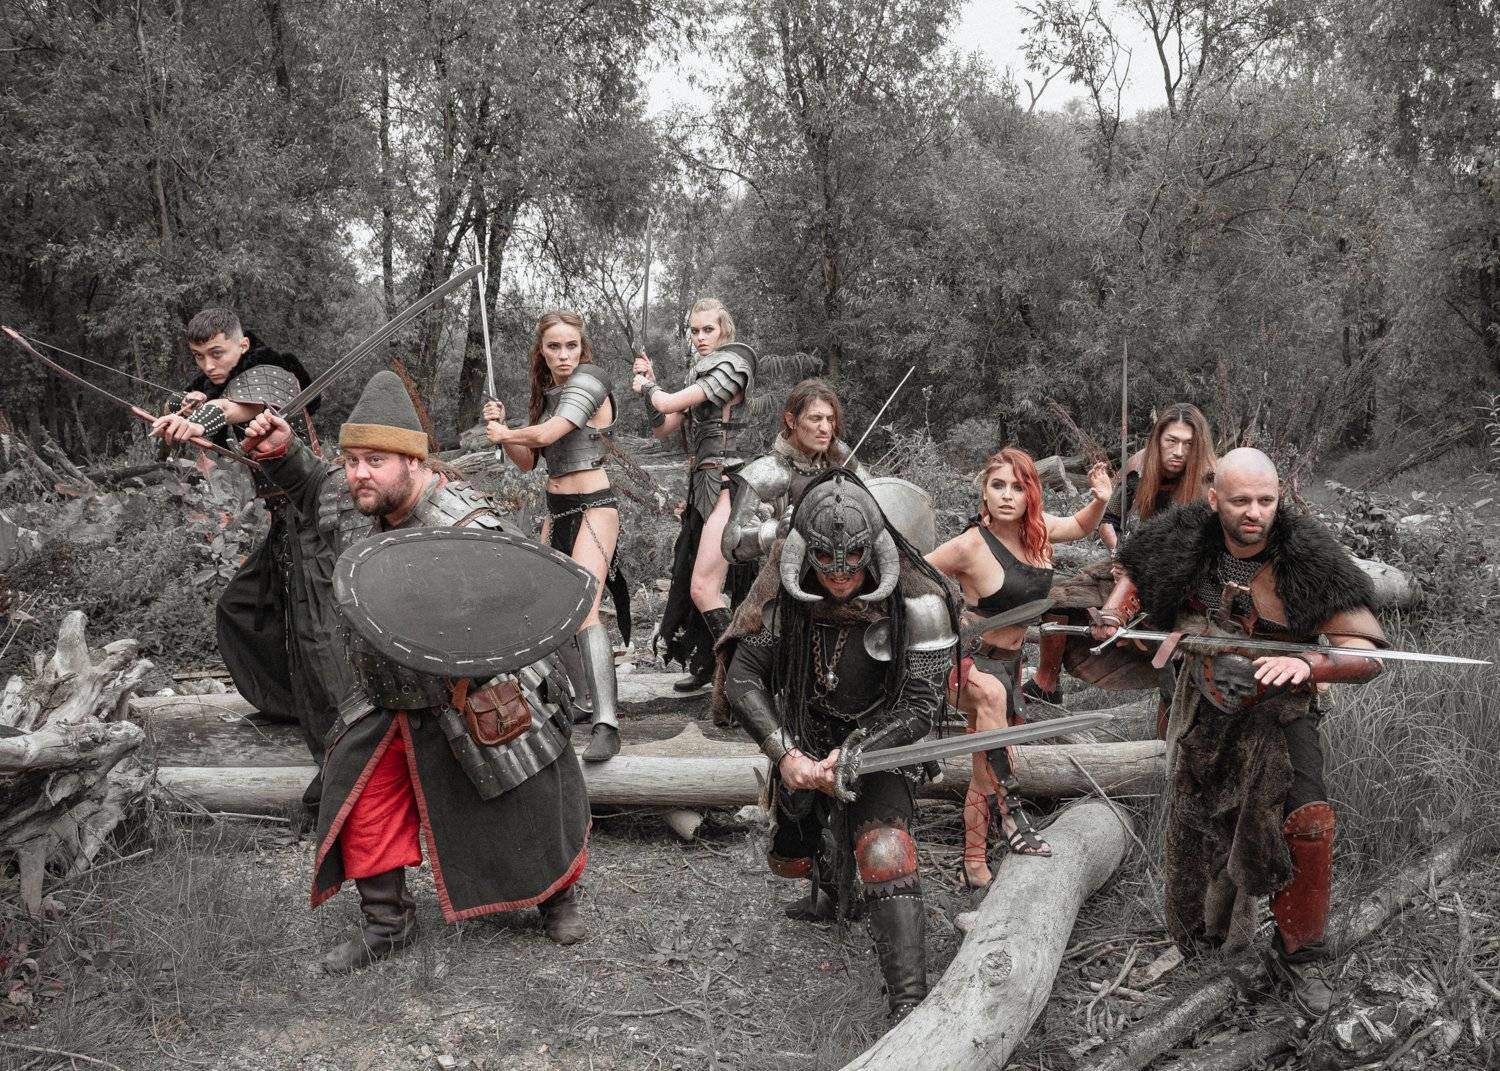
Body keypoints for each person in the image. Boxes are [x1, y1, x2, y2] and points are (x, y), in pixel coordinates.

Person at [240, 370, 592, 972]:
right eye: (352, 460)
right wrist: (283, 449)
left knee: (525, 791)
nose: (359, 473)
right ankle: (387, 924)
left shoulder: (466, 526)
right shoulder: (360, 496)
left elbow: (519, 606)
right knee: (361, 793)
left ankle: (555, 897)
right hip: (387, 687)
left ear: (413, 460)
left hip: (473, 688)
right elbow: (314, 483)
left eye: (374, 460)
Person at [1092, 448, 1387, 1014]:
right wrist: (1116, 615)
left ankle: (1300, 956)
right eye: (1241, 501)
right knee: (1199, 821)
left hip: (1281, 711)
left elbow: (1367, 654)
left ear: (1280, 500)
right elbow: (1131, 579)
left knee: (1307, 819)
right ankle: (1202, 937)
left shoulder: (1308, 559)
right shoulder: (1180, 541)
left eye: (1265, 500)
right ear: (1213, 500)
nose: (1254, 512)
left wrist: (1311, 664)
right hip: (1203, 704)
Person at [716, 469, 957, 1021]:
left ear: (876, 550)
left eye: (853, 559)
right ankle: (830, 894)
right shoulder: (780, 601)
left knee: (885, 850)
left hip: (881, 741)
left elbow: (922, 705)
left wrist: (858, 754)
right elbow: (744, 678)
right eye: (825, 559)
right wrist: (787, 755)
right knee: (796, 843)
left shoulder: (920, 604)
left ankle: (908, 1003)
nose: (841, 573)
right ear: (806, 554)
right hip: (804, 733)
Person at [149, 308, 348, 810]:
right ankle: (295, 708)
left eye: (217, 353)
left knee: (318, 639)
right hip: (283, 519)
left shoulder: (273, 371)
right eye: (199, 357)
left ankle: (342, 766)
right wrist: (182, 410)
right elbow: (201, 421)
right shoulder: (215, 388)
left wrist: (203, 412)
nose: (209, 365)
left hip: (315, 514)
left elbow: (243, 407)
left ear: (242, 343)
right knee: (240, 609)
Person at [926, 447, 1112, 891]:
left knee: (985, 767)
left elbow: (1081, 525)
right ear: (984, 493)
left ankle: (974, 862)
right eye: (998, 486)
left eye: (1017, 487)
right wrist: (938, 622)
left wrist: (1102, 499)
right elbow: (913, 578)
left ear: (1031, 494)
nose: (1007, 495)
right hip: (967, 663)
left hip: (1009, 666)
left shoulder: (1038, 533)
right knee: (991, 704)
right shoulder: (968, 546)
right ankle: (1012, 814)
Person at [483, 310, 626, 762]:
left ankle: (607, 723)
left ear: (583, 348)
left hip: (594, 506)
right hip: (557, 508)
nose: (564, 355)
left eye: (571, 345)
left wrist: (509, 431)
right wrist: (504, 433)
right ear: (541, 352)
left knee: (585, 610)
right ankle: (583, 700)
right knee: (550, 610)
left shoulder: (591, 380)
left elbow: (549, 433)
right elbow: (529, 461)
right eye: (554, 347)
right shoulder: (548, 397)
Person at [1028, 404, 1215, 719]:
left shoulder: (1211, 481)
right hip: (1129, 566)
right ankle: (1046, 683)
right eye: (1171, 441)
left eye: (1188, 444)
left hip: (1184, 579)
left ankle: (1174, 716)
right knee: (1059, 599)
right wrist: (1118, 552)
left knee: (1176, 646)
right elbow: (1109, 520)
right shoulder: (1139, 471)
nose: (1179, 451)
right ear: (1158, 440)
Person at [632, 298, 756, 693]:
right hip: (703, 486)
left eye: (708, 330)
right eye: (694, 330)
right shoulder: (701, 372)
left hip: (728, 486)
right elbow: (663, 427)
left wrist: (649, 386)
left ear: (724, 331)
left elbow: (667, 401)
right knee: (692, 578)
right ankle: (707, 665)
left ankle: (746, 676)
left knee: (705, 587)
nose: (700, 337)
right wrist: (648, 387)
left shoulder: (734, 365)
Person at [720, 378, 865, 566]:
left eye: (830, 419)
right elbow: (731, 544)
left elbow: (875, 494)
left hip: (845, 565)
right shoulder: (768, 471)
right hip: (789, 570)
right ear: (791, 421)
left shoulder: (839, 455)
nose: (826, 428)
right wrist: (776, 532)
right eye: (815, 419)